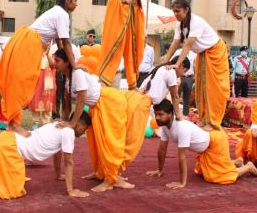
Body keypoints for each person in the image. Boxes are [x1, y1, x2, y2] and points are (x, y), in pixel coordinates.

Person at [53, 49, 189, 192]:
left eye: (57, 61)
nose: (53, 64)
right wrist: (64, 121)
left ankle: (111, 178)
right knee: (102, 142)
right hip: (112, 103)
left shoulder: (77, 74)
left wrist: (71, 123)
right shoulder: (69, 77)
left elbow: (81, 100)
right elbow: (69, 103)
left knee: (116, 142)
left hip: (111, 102)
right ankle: (103, 172)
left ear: (67, 62)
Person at [0, 112, 92, 200]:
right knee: (12, 190)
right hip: (10, 150)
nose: (83, 133)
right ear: (79, 125)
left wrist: (59, 175)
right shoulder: (68, 132)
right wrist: (71, 190)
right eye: (84, 129)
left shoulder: (59, 124)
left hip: (6, 139)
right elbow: (69, 162)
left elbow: (58, 153)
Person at [0, 0, 78, 131]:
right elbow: (66, 42)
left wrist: (64, 62)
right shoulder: (62, 14)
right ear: (67, 0)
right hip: (28, 44)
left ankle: (13, 121)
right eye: (75, 0)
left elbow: (60, 42)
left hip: (28, 42)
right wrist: (74, 65)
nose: (77, 4)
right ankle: (12, 122)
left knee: (20, 82)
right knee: (21, 82)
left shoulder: (57, 12)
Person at [146, 99, 257, 188]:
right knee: (202, 171)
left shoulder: (181, 128)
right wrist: (159, 170)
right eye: (156, 114)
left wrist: (182, 182)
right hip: (207, 146)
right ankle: (237, 162)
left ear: (171, 114)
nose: (157, 118)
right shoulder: (165, 127)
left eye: (160, 114)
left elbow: (182, 157)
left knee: (219, 176)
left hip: (216, 142)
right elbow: (161, 150)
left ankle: (248, 167)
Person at [162, 0, 230, 129]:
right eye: (174, 11)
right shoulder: (179, 25)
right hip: (203, 54)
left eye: (178, 11)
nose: (175, 14)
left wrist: (177, 64)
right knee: (201, 87)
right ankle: (205, 119)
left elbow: (187, 45)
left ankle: (213, 122)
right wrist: (165, 61)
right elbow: (175, 43)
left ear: (186, 10)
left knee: (212, 89)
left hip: (215, 52)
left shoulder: (196, 22)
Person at [171, 47, 196, 116]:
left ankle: (185, 115)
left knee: (186, 98)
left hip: (189, 77)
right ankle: (173, 114)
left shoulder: (194, 53)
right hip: (179, 77)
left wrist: (195, 77)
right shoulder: (178, 52)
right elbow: (173, 62)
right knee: (175, 95)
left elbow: (195, 65)